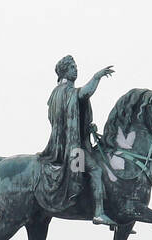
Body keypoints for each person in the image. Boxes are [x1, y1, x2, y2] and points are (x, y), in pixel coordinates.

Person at [37, 55, 116, 226]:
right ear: (65, 70)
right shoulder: (67, 91)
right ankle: (99, 213)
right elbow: (84, 92)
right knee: (95, 170)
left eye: (76, 66)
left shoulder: (55, 93)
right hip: (73, 150)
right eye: (72, 67)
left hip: (69, 146)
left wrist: (87, 128)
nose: (76, 69)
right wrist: (97, 76)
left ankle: (109, 210)